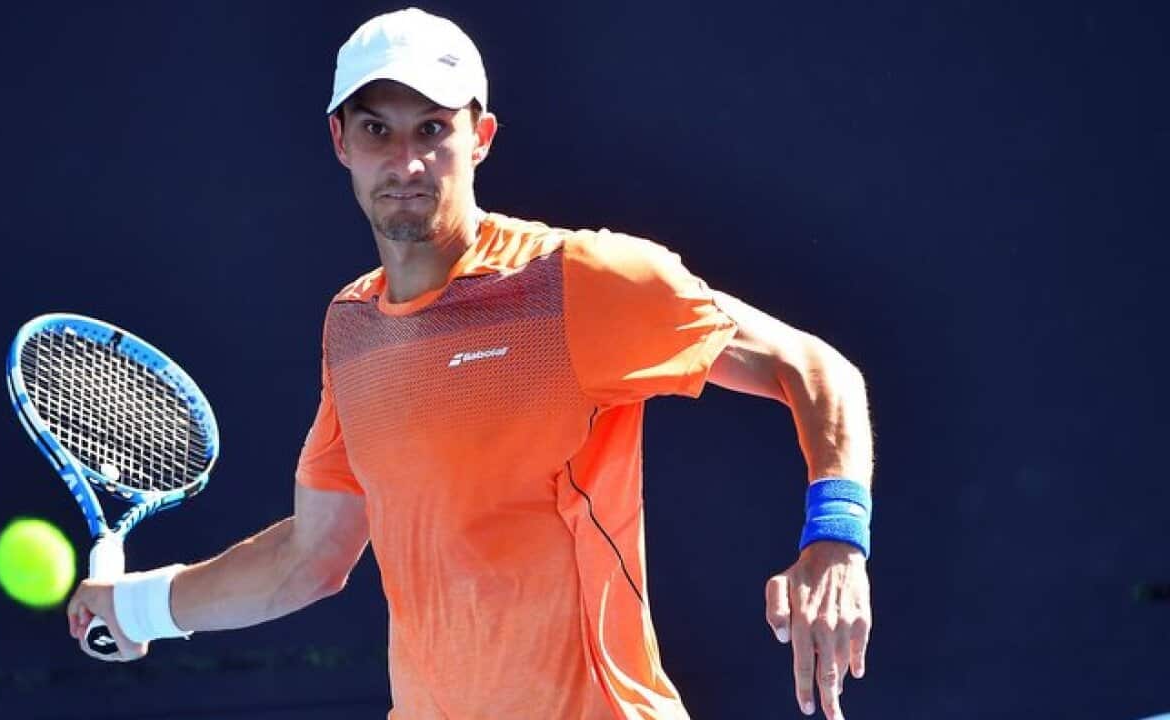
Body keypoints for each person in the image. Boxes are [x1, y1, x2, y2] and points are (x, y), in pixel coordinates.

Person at [66, 8, 875, 720]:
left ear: (480, 138)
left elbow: (813, 367)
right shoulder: (351, 328)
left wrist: (835, 541)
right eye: (378, 129)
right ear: (340, 142)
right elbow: (310, 558)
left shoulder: (580, 282)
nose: (407, 163)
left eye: (433, 129)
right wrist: (140, 607)